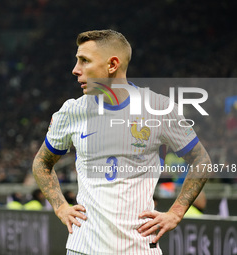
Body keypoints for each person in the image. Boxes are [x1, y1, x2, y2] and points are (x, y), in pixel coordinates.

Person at [32, 29, 211, 254]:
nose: (75, 70)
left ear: (112, 64)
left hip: (139, 248)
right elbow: (42, 163)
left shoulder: (159, 109)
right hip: (83, 248)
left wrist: (176, 212)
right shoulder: (71, 111)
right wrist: (60, 208)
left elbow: (201, 161)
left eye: (84, 61)